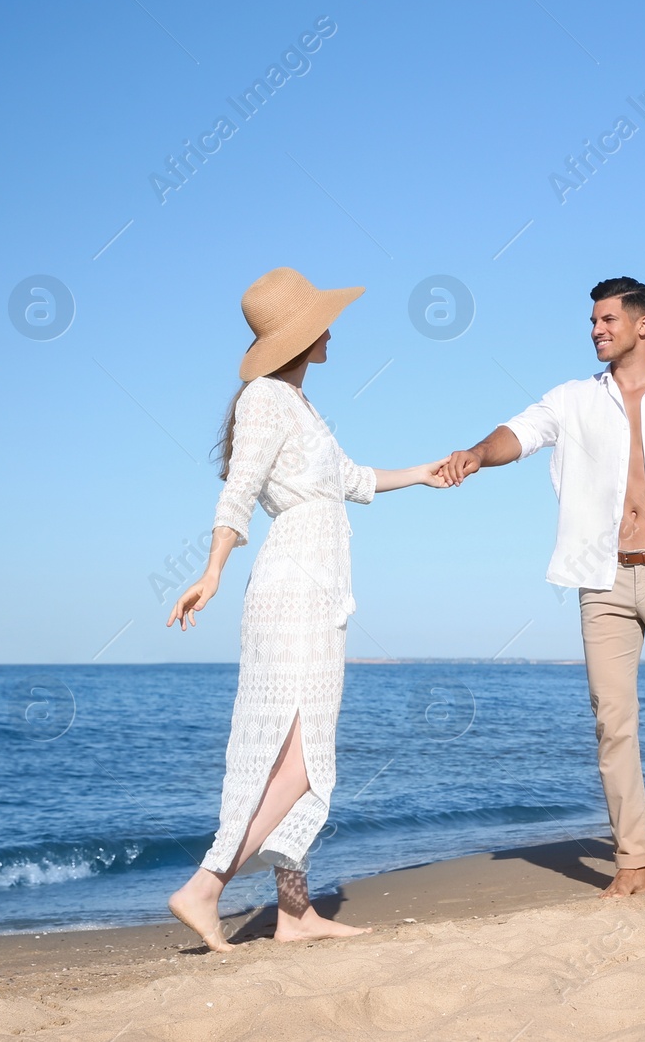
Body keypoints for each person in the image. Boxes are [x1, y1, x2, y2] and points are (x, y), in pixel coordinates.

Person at [439, 276, 645, 896]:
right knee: (613, 720)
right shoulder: (573, 399)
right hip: (604, 581)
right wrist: (478, 454)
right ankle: (634, 860)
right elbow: (520, 432)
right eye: (593, 322)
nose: (596, 330)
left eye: (608, 320)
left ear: (643, 324)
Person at [165, 267, 448, 951]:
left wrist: (426, 471)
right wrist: (211, 572)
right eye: (322, 319)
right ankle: (205, 886)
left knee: (306, 745)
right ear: (301, 333)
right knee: (298, 764)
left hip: (319, 585)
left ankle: (294, 912)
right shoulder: (266, 397)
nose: (332, 329)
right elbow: (240, 489)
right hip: (292, 584)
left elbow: (350, 479)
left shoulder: (301, 405)